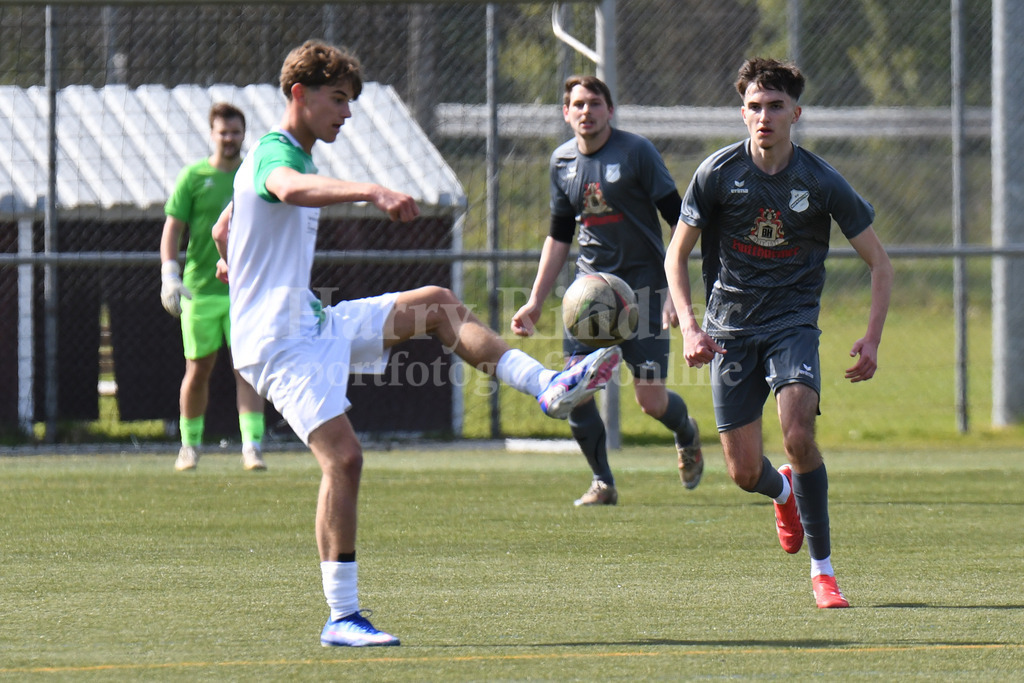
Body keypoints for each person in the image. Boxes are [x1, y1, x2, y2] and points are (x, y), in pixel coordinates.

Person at [211, 40, 622, 647]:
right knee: (344, 459)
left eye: (350, 101)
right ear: (299, 94)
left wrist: (232, 263)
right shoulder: (277, 153)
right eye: (338, 99)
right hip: (277, 342)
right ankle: (342, 616)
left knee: (436, 306)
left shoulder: (274, 159)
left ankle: (548, 387)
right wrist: (371, 191)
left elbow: (225, 226)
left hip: (310, 322)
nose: (346, 113)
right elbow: (290, 189)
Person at [665, 57, 893, 608]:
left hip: (792, 323)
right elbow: (677, 255)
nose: (763, 116)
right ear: (742, 114)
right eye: (753, 107)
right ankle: (783, 490)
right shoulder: (716, 174)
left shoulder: (821, 181)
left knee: (798, 433)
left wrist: (872, 338)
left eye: (773, 107)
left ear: (796, 112)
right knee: (745, 473)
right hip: (728, 332)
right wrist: (691, 326)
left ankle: (824, 571)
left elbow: (880, 264)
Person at [511, 75, 702, 507]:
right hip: (588, 297)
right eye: (577, 104)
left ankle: (685, 431)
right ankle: (603, 482)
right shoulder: (561, 162)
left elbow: (680, 220)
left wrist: (675, 292)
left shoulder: (637, 152)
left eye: (595, 103)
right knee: (573, 392)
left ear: (609, 110)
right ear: (566, 113)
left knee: (650, 401)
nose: (586, 111)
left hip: (644, 292)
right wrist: (536, 301)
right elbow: (558, 236)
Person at [159, 102, 267, 472]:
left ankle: (252, 447)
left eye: (236, 132)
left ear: (243, 134)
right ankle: (189, 447)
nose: (230, 138)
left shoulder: (252, 176)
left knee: (248, 369)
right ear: (212, 133)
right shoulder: (193, 176)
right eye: (224, 132)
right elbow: (173, 228)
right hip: (202, 292)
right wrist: (169, 274)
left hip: (244, 291)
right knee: (198, 368)